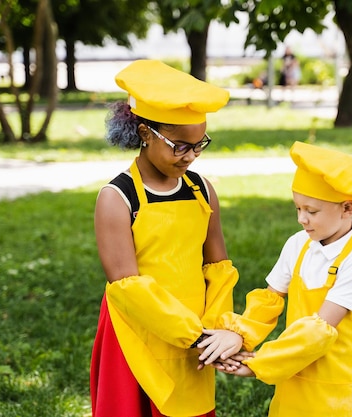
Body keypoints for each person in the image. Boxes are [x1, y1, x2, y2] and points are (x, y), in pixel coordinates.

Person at [89, 59, 241, 417]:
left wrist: (217, 331)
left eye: (199, 144)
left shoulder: (202, 190)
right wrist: (195, 335)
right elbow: (127, 286)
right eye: (180, 146)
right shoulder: (117, 198)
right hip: (137, 334)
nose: (191, 156)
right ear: (145, 134)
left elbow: (217, 266)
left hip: (194, 332)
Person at [198, 141, 352, 417]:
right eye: (298, 208)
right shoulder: (299, 244)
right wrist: (239, 335)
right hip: (293, 378)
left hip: (337, 393)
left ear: (347, 208)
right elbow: (270, 299)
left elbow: (320, 330)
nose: (301, 219)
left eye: (312, 211)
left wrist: (260, 363)